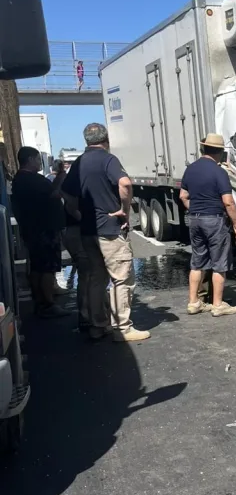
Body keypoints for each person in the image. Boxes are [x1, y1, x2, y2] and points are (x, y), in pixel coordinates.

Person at [62, 123, 149, 342]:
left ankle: (98, 326)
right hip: (109, 230)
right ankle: (123, 328)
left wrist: (78, 213)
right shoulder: (108, 160)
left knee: (96, 278)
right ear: (106, 139)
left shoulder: (79, 163)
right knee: (121, 279)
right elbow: (125, 184)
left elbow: (67, 193)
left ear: (86, 140)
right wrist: (125, 210)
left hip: (88, 230)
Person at [180, 133, 236, 317]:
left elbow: (183, 196)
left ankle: (193, 303)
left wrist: (195, 209)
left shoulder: (190, 169)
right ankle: (218, 305)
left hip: (195, 219)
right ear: (220, 152)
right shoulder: (219, 172)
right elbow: (228, 202)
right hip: (214, 220)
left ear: (204, 148)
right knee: (219, 263)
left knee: (197, 262)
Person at [10, 147, 68, 318]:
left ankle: (40, 302)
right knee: (47, 268)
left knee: (37, 267)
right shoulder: (31, 180)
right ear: (30, 160)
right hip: (44, 231)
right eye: (37, 159)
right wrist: (61, 180)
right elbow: (53, 194)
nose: (39, 163)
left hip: (34, 230)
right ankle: (48, 304)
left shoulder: (22, 180)